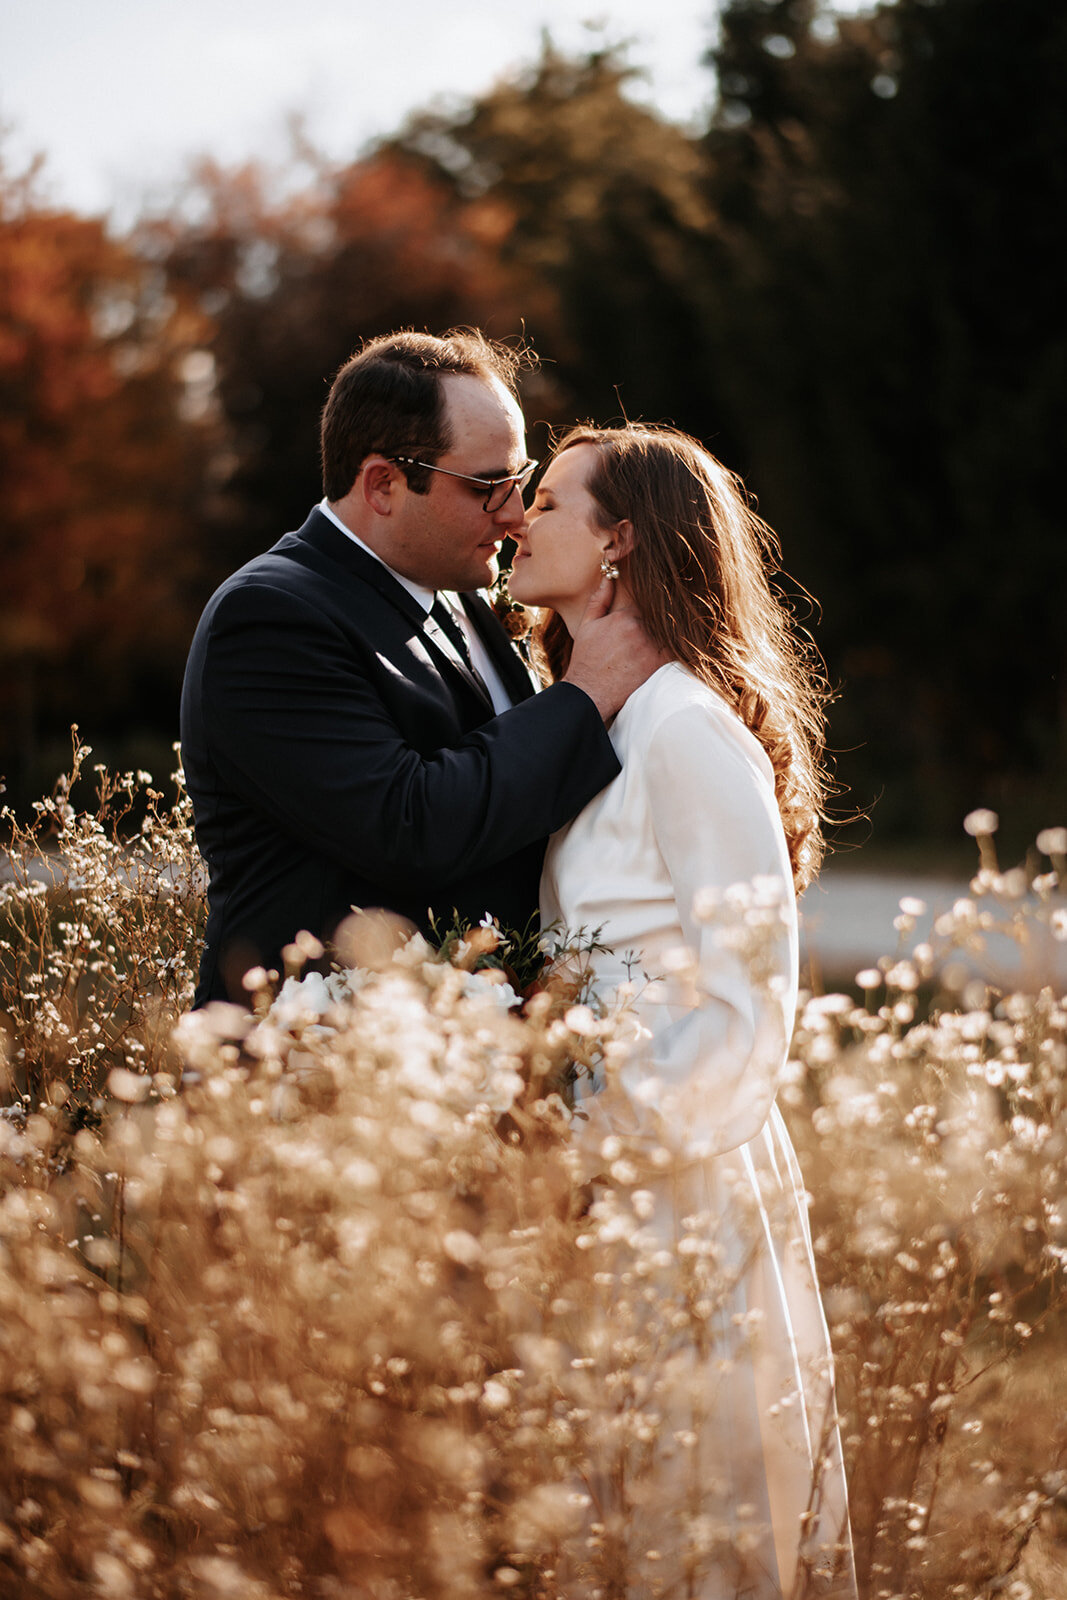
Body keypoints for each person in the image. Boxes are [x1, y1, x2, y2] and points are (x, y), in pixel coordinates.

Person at [507, 424, 858, 1597]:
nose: (516, 514)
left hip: (678, 1170)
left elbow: (755, 994)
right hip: (602, 1175)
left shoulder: (686, 726)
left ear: (617, 541)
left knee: (691, 1500)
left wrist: (616, 1134)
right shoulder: (594, 714)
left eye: (546, 499)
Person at [180, 331, 664, 1007]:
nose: (515, 515)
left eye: (519, 482)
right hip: (315, 1071)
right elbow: (407, 827)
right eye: (488, 487)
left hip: (459, 1063)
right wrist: (585, 694)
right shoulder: (270, 615)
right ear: (383, 484)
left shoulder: (462, 592)